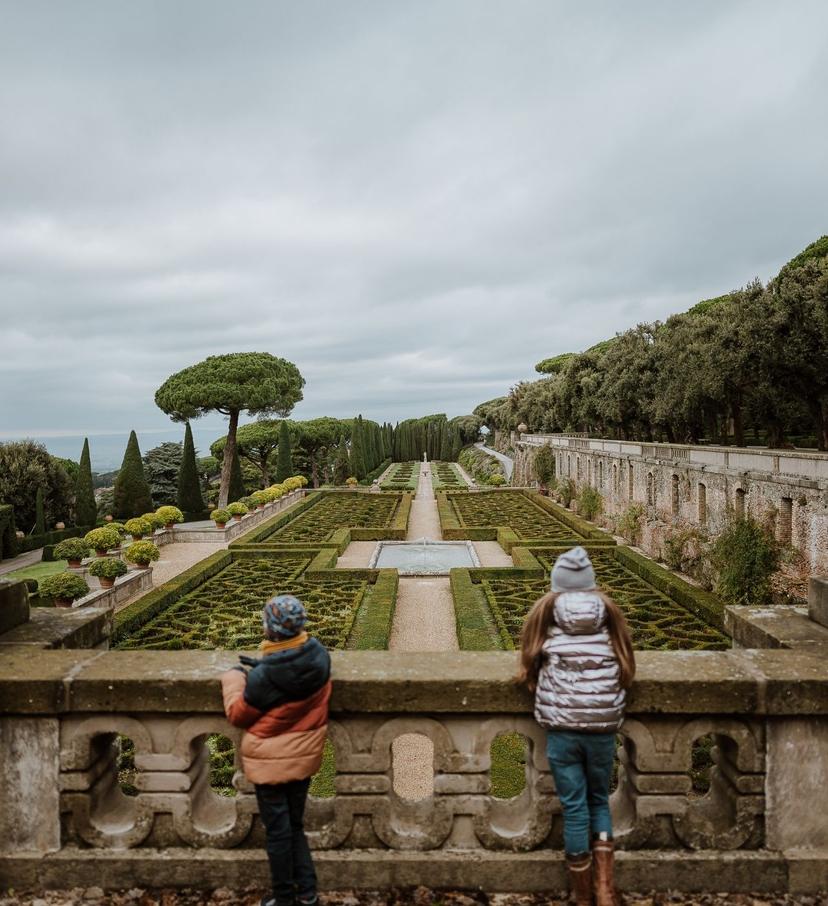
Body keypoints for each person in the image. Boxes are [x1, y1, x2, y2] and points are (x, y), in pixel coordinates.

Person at [516, 547, 635, 906]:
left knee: (575, 808)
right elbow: (627, 665)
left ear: (557, 584)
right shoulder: (609, 612)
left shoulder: (544, 611)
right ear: (590, 584)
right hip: (602, 729)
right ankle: (605, 890)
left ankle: (583, 896)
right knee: (599, 801)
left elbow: (528, 663)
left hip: (562, 730)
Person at [222, 594, 331, 906]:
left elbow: (238, 715)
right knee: (295, 826)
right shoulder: (319, 655)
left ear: (270, 630)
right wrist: (262, 668)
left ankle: (283, 899)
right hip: (304, 755)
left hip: (269, 762)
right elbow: (290, 674)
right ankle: (308, 895)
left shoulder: (265, 677)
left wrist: (233, 679)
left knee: (278, 834)